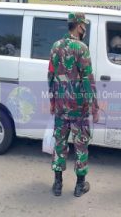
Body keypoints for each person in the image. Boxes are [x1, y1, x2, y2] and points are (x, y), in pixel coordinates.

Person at [48, 12, 99, 197]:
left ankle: (58, 184)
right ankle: (79, 186)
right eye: (83, 25)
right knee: (81, 144)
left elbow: (50, 77)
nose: (84, 28)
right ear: (78, 26)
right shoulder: (82, 48)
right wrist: (94, 106)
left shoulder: (55, 47)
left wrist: (52, 101)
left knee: (60, 144)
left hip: (61, 107)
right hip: (79, 108)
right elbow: (87, 79)